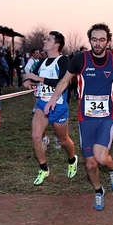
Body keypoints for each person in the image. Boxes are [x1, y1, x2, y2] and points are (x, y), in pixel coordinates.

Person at [44, 23, 113, 211]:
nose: (98, 43)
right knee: (90, 163)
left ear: (108, 41)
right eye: (94, 39)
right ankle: (99, 191)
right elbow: (65, 81)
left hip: (108, 114)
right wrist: (53, 98)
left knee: (100, 157)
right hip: (86, 117)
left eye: (102, 40)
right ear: (90, 40)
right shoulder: (79, 59)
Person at [23, 31, 78, 186]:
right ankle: (44, 168)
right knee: (36, 136)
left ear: (56, 45)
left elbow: (63, 82)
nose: (44, 41)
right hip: (42, 104)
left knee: (64, 140)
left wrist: (38, 79)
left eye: (48, 39)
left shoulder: (63, 60)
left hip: (58, 106)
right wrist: (27, 81)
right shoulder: (42, 61)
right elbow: (29, 77)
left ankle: (72, 159)